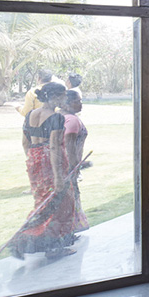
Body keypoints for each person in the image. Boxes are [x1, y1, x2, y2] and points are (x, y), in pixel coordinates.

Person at [11, 82, 77, 259]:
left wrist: (33, 160)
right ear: (54, 97)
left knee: (43, 203)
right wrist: (58, 177)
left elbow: (25, 142)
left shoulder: (30, 115)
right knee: (62, 204)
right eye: (63, 96)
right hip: (51, 163)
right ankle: (50, 247)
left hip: (35, 160)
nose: (65, 99)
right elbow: (54, 147)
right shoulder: (56, 118)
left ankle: (30, 241)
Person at [61, 90, 91, 234]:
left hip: (62, 166)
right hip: (69, 167)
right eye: (77, 101)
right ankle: (71, 229)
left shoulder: (60, 117)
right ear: (67, 103)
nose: (81, 104)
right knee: (71, 197)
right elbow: (69, 145)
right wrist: (75, 166)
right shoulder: (71, 120)